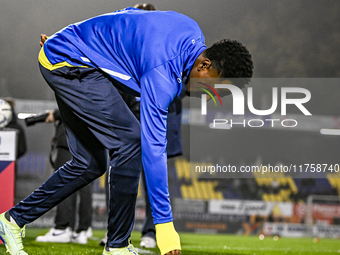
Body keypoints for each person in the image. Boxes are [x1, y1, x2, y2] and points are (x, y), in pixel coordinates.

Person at [0, 7, 253, 255]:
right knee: (131, 142)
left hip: (65, 55)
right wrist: (164, 226)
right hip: (70, 65)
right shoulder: (161, 74)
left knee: (88, 164)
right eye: (214, 89)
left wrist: (67, 37)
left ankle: (12, 220)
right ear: (205, 65)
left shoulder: (190, 29)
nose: (210, 98)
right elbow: (153, 148)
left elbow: (130, 15)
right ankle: (117, 245)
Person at [34, 110, 93, 244]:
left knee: (63, 182)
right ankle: (81, 230)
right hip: (89, 138)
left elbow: (71, 102)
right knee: (84, 184)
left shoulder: (79, 89)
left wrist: (55, 114)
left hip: (70, 137)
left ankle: (62, 228)